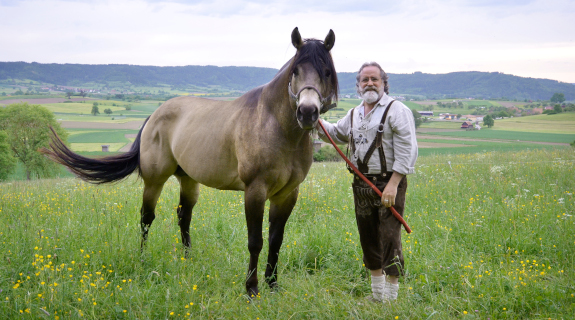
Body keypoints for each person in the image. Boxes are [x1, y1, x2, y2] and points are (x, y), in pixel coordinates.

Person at [316, 62, 418, 302]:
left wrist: (394, 184)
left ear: (384, 83)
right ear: (358, 86)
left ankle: (391, 298)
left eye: (375, 79)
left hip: (387, 183)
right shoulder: (355, 113)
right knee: (368, 236)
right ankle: (377, 294)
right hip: (361, 185)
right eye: (365, 80)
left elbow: (407, 149)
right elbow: (336, 133)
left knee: (390, 237)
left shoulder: (397, 110)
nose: (370, 83)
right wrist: (314, 116)